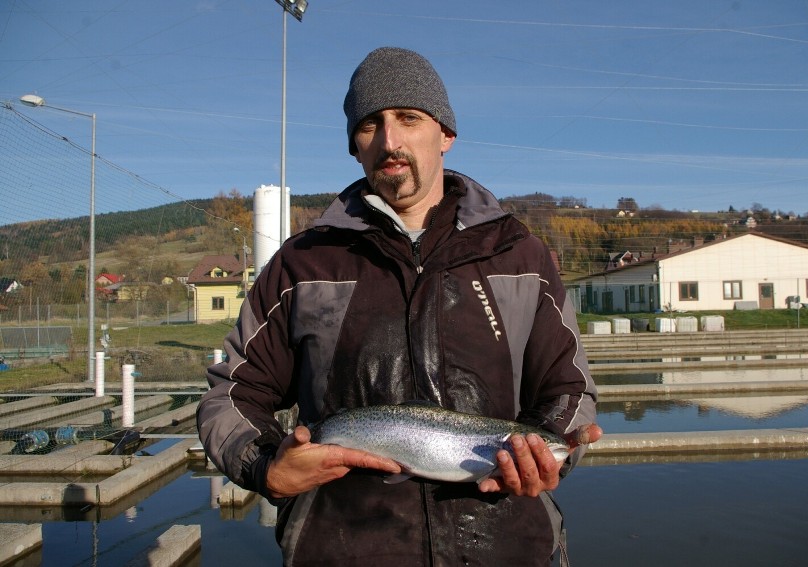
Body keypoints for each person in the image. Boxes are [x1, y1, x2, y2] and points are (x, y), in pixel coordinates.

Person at [197, 46, 600, 566]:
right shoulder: (302, 264)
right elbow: (232, 393)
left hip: (509, 548)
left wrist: (551, 456)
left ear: (445, 134)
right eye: (370, 125)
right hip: (340, 550)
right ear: (354, 147)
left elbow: (568, 389)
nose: (390, 140)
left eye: (409, 118)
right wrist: (266, 465)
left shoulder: (519, 255)